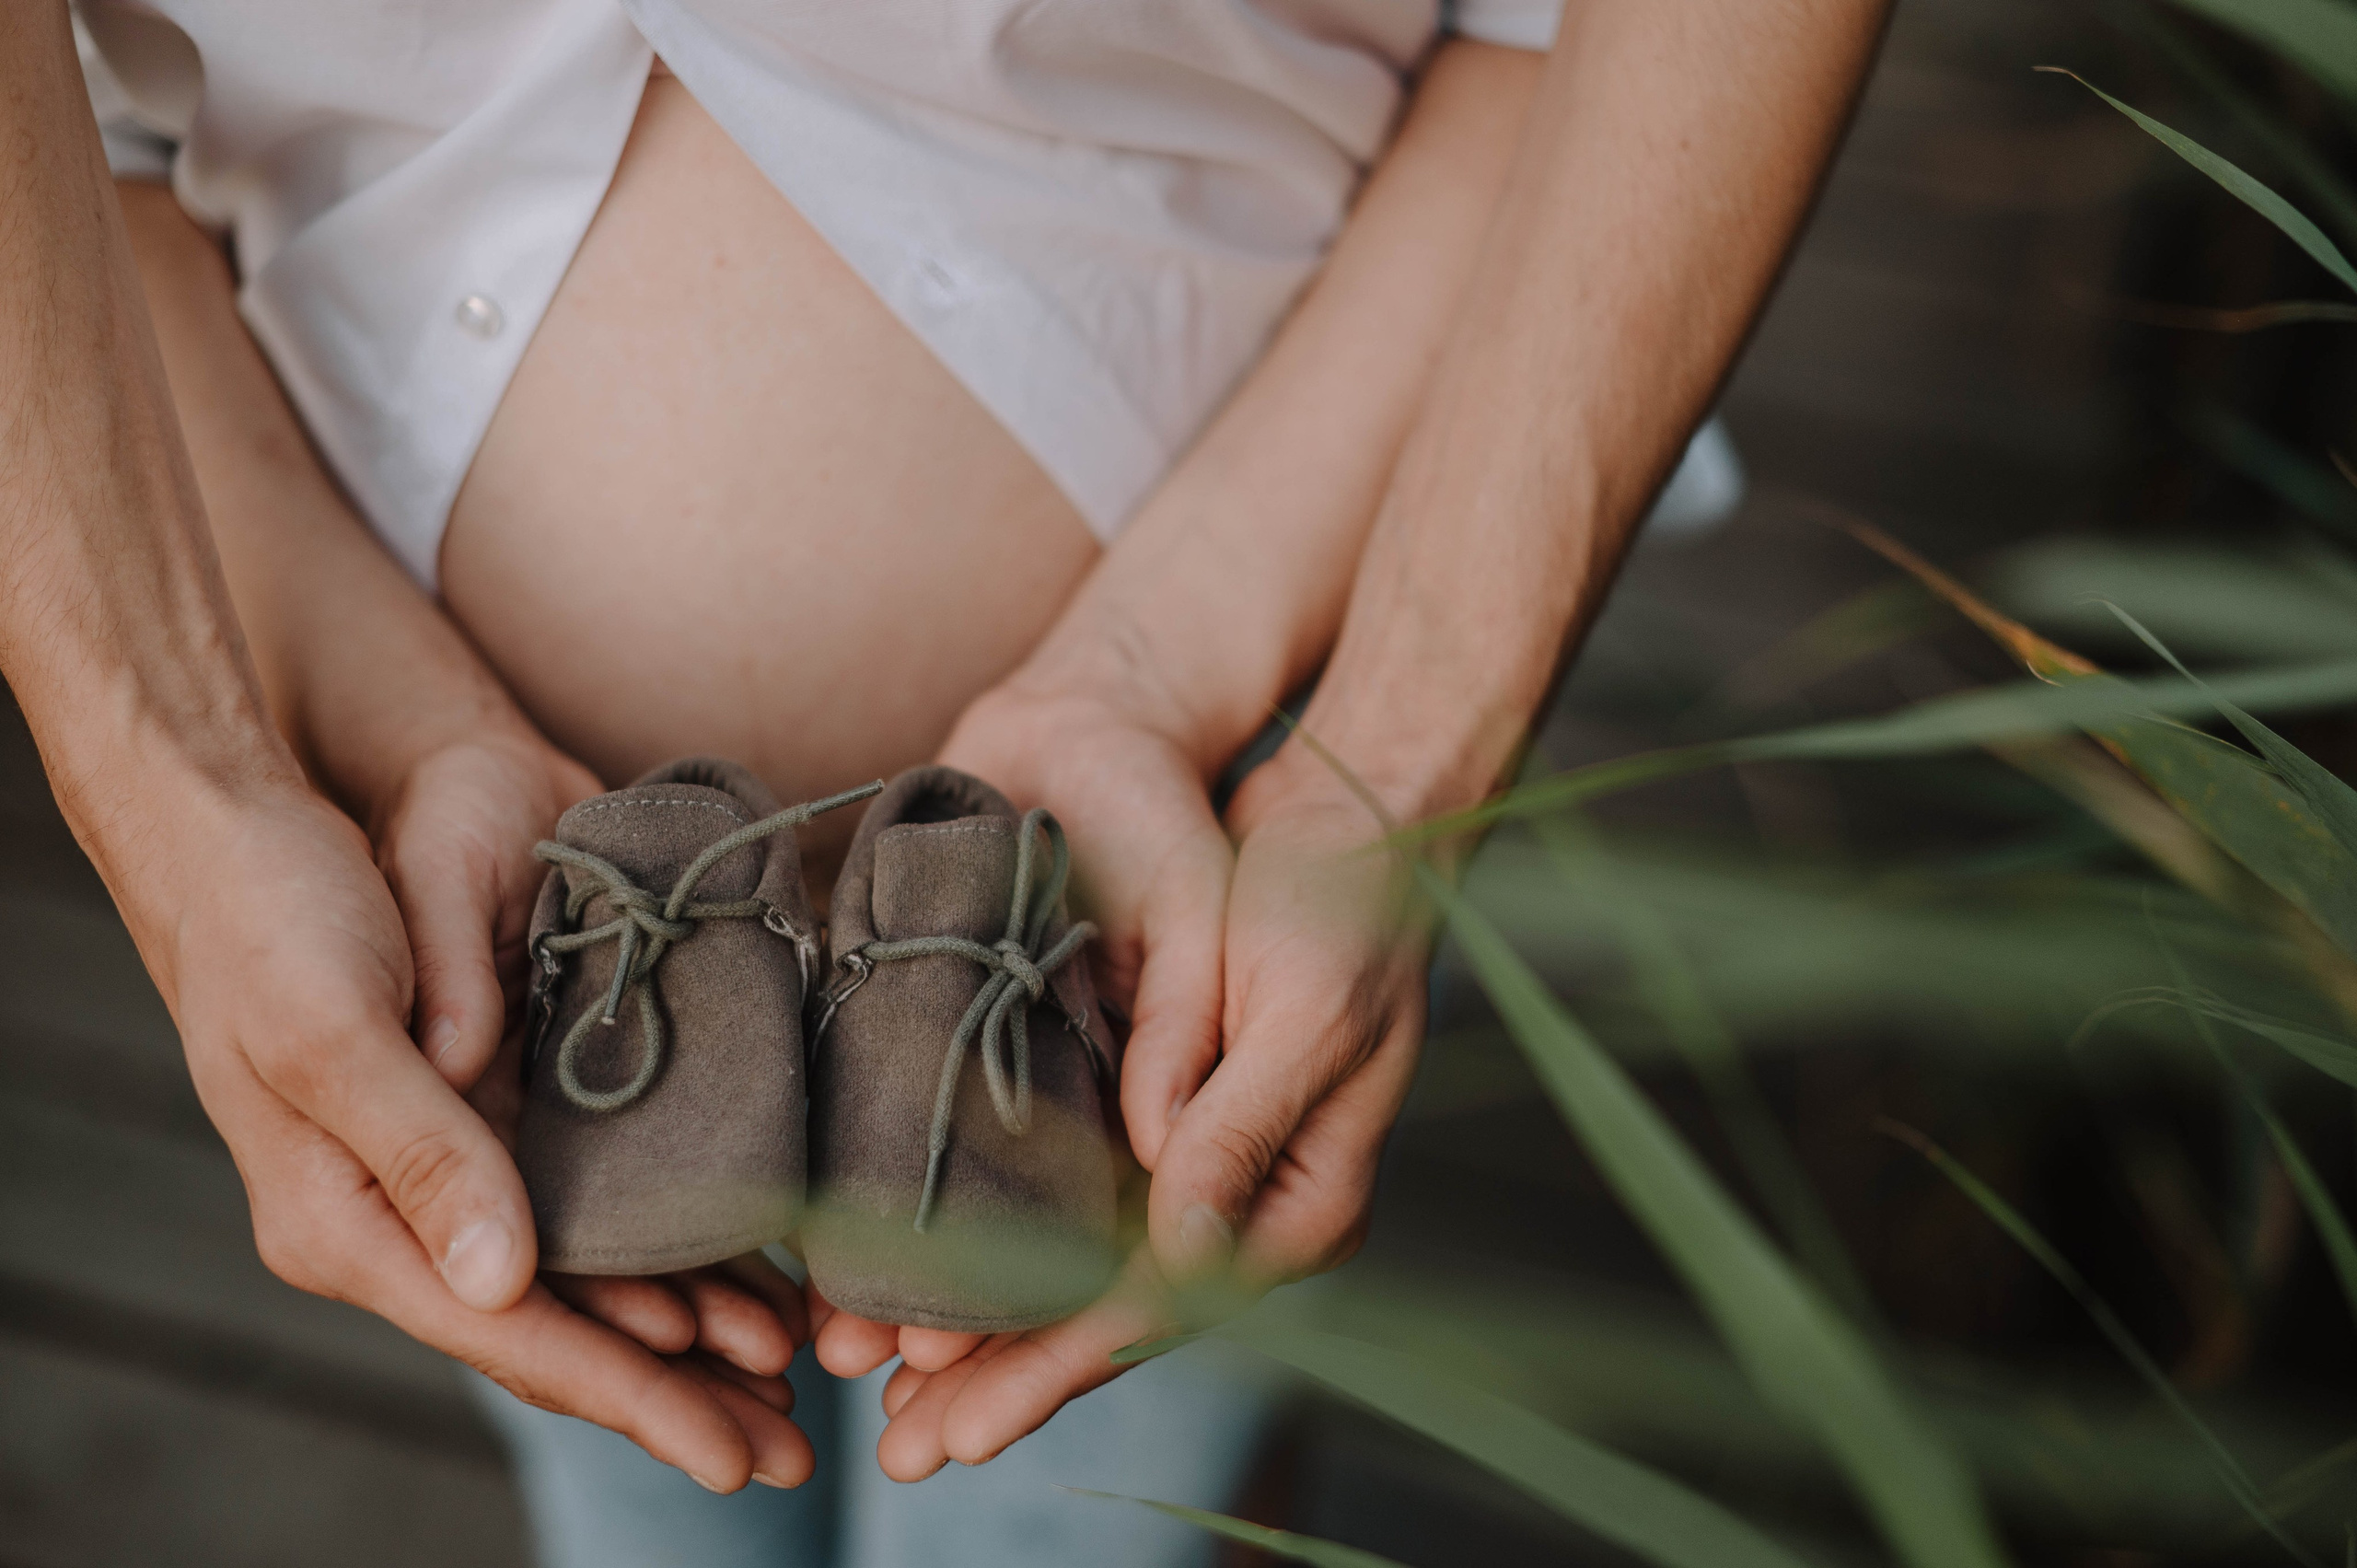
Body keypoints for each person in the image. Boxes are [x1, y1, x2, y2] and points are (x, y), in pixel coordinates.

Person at [1, 0, 1887, 1557]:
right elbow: (91, 158)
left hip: (1206, 852)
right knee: (639, 1487)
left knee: (1099, 1520)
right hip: (502, 939)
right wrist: (188, 785)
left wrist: (1383, 756)